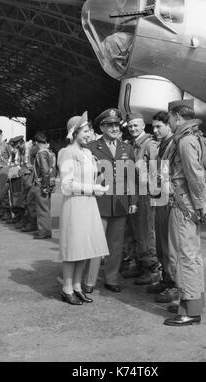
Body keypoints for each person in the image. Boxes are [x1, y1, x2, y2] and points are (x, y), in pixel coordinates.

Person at [163, 99, 206, 327]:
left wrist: (201, 206)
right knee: (191, 256)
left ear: (176, 116)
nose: (170, 122)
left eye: (170, 117)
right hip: (191, 206)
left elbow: (195, 177)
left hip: (184, 207)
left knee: (184, 258)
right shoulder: (198, 138)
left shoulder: (185, 142)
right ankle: (190, 303)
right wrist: (203, 205)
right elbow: (205, 176)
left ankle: (190, 313)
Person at [83, 108, 138, 293]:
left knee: (116, 244)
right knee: (96, 243)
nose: (114, 128)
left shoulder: (126, 148)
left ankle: (111, 278)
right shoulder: (91, 148)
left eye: (116, 124)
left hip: (120, 203)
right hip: (99, 203)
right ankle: (89, 281)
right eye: (110, 125)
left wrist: (133, 201)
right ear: (101, 127)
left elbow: (132, 178)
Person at [58, 112, 109, 305]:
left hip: (88, 204)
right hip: (76, 204)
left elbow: (93, 177)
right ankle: (67, 288)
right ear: (75, 132)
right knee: (73, 249)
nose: (89, 134)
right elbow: (66, 185)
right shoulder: (67, 152)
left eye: (90, 130)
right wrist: (94, 189)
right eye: (86, 130)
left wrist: (99, 180)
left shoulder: (87, 153)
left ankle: (77, 287)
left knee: (85, 249)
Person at [122, 112, 160, 286]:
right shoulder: (132, 144)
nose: (133, 128)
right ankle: (138, 263)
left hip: (145, 193)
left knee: (145, 230)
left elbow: (156, 169)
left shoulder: (149, 144)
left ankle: (151, 269)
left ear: (143, 126)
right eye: (130, 126)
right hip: (133, 192)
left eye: (136, 125)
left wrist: (154, 192)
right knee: (133, 230)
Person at [148, 111, 178, 301]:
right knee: (161, 243)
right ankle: (166, 280)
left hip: (171, 200)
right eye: (154, 127)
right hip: (160, 198)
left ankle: (175, 285)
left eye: (159, 126)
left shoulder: (175, 145)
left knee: (171, 246)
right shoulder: (162, 146)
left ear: (169, 125)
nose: (156, 130)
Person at [32, 133, 53, 240]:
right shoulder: (49, 152)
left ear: (36, 142)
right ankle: (46, 230)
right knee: (46, 208)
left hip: (41, 184)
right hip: (49, 183)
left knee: (42, 209)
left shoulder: (41, 153)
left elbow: (45, 171)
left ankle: (43, 232)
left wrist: (44, 185)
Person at [6, 136, 25, 224]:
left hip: (19, 177)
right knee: (13, 197)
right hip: (12, 177)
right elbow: (9, 164)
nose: (14, 147)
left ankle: (21, 217)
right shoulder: (13, 152)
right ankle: (17, 215)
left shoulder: (23, 152)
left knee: (19, 197)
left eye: (15, 145)